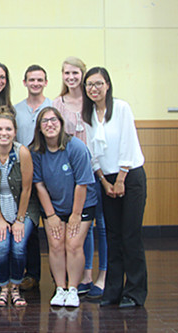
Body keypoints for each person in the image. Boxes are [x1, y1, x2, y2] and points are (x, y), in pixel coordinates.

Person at [82, 67, 147, 309]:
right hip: (106, 180)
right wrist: (104, 180)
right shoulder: (88, 114)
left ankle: (135, 292)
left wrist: (120, 179)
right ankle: (113, 291)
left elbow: (128, 144)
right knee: (112, 236)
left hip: (130, 177)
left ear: (107, 85)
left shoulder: (121, 108)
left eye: (98, 83)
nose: (94, 89)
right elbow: (93, 153)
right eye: (90, 84)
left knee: (130, 236)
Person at [31, 107, 97, 308]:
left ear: (61, 124)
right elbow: (39, 185)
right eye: (44, 121)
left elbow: (82, 184)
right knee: (56, 244)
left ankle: (73, 289)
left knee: (74, 244)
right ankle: (60, 288)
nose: (49, 124)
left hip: (81, 205)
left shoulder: (76, 147)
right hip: (53, 206)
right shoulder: (36, 151)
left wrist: (76, 215)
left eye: (54, 120)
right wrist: (51, 216)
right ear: (39, 128)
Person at [53, 57, 107, 299]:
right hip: (70, 174)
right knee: (79, 226)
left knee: (100, 224)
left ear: (83, 75)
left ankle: (102, 275)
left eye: (75, 73)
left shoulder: (92, 101)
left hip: (97, 170)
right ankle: (84, 275)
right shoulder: (58, 103)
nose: (71, 77)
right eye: (67, 73)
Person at [0, 113, 38, 307]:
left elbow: (27, 189)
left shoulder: (22, 153)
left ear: (15, 132)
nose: (4, 133)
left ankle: (16, 289)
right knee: (2, 247)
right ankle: (3, 288)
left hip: (23, 207)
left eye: (8, 129)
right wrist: (0, 218)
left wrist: (19, 220)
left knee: (18, 248)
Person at [15, 64, 52, 292]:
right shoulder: (16, 109)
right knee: (28, 220)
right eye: (31, 79)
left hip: (48, 171)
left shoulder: (53, 107)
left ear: (46, 82)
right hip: (23, 173)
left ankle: (54, 277)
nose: (35, 83)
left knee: (49, 222)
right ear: (25, 82)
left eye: (40, 80)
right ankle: (28, 273)